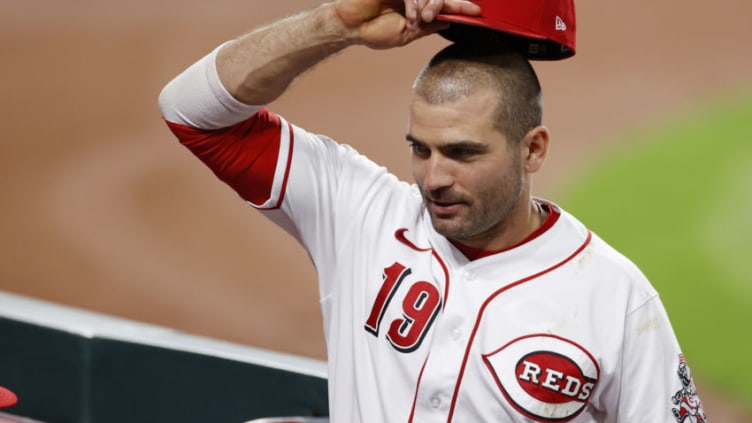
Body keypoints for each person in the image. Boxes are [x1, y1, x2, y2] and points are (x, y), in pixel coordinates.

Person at [158, 0, 707, 421]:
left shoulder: (615, 297)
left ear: (532, 149)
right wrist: (339, 23)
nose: (434, 178)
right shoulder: (361, 214)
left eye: (464, 153)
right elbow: (192, 113)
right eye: (420, 148)